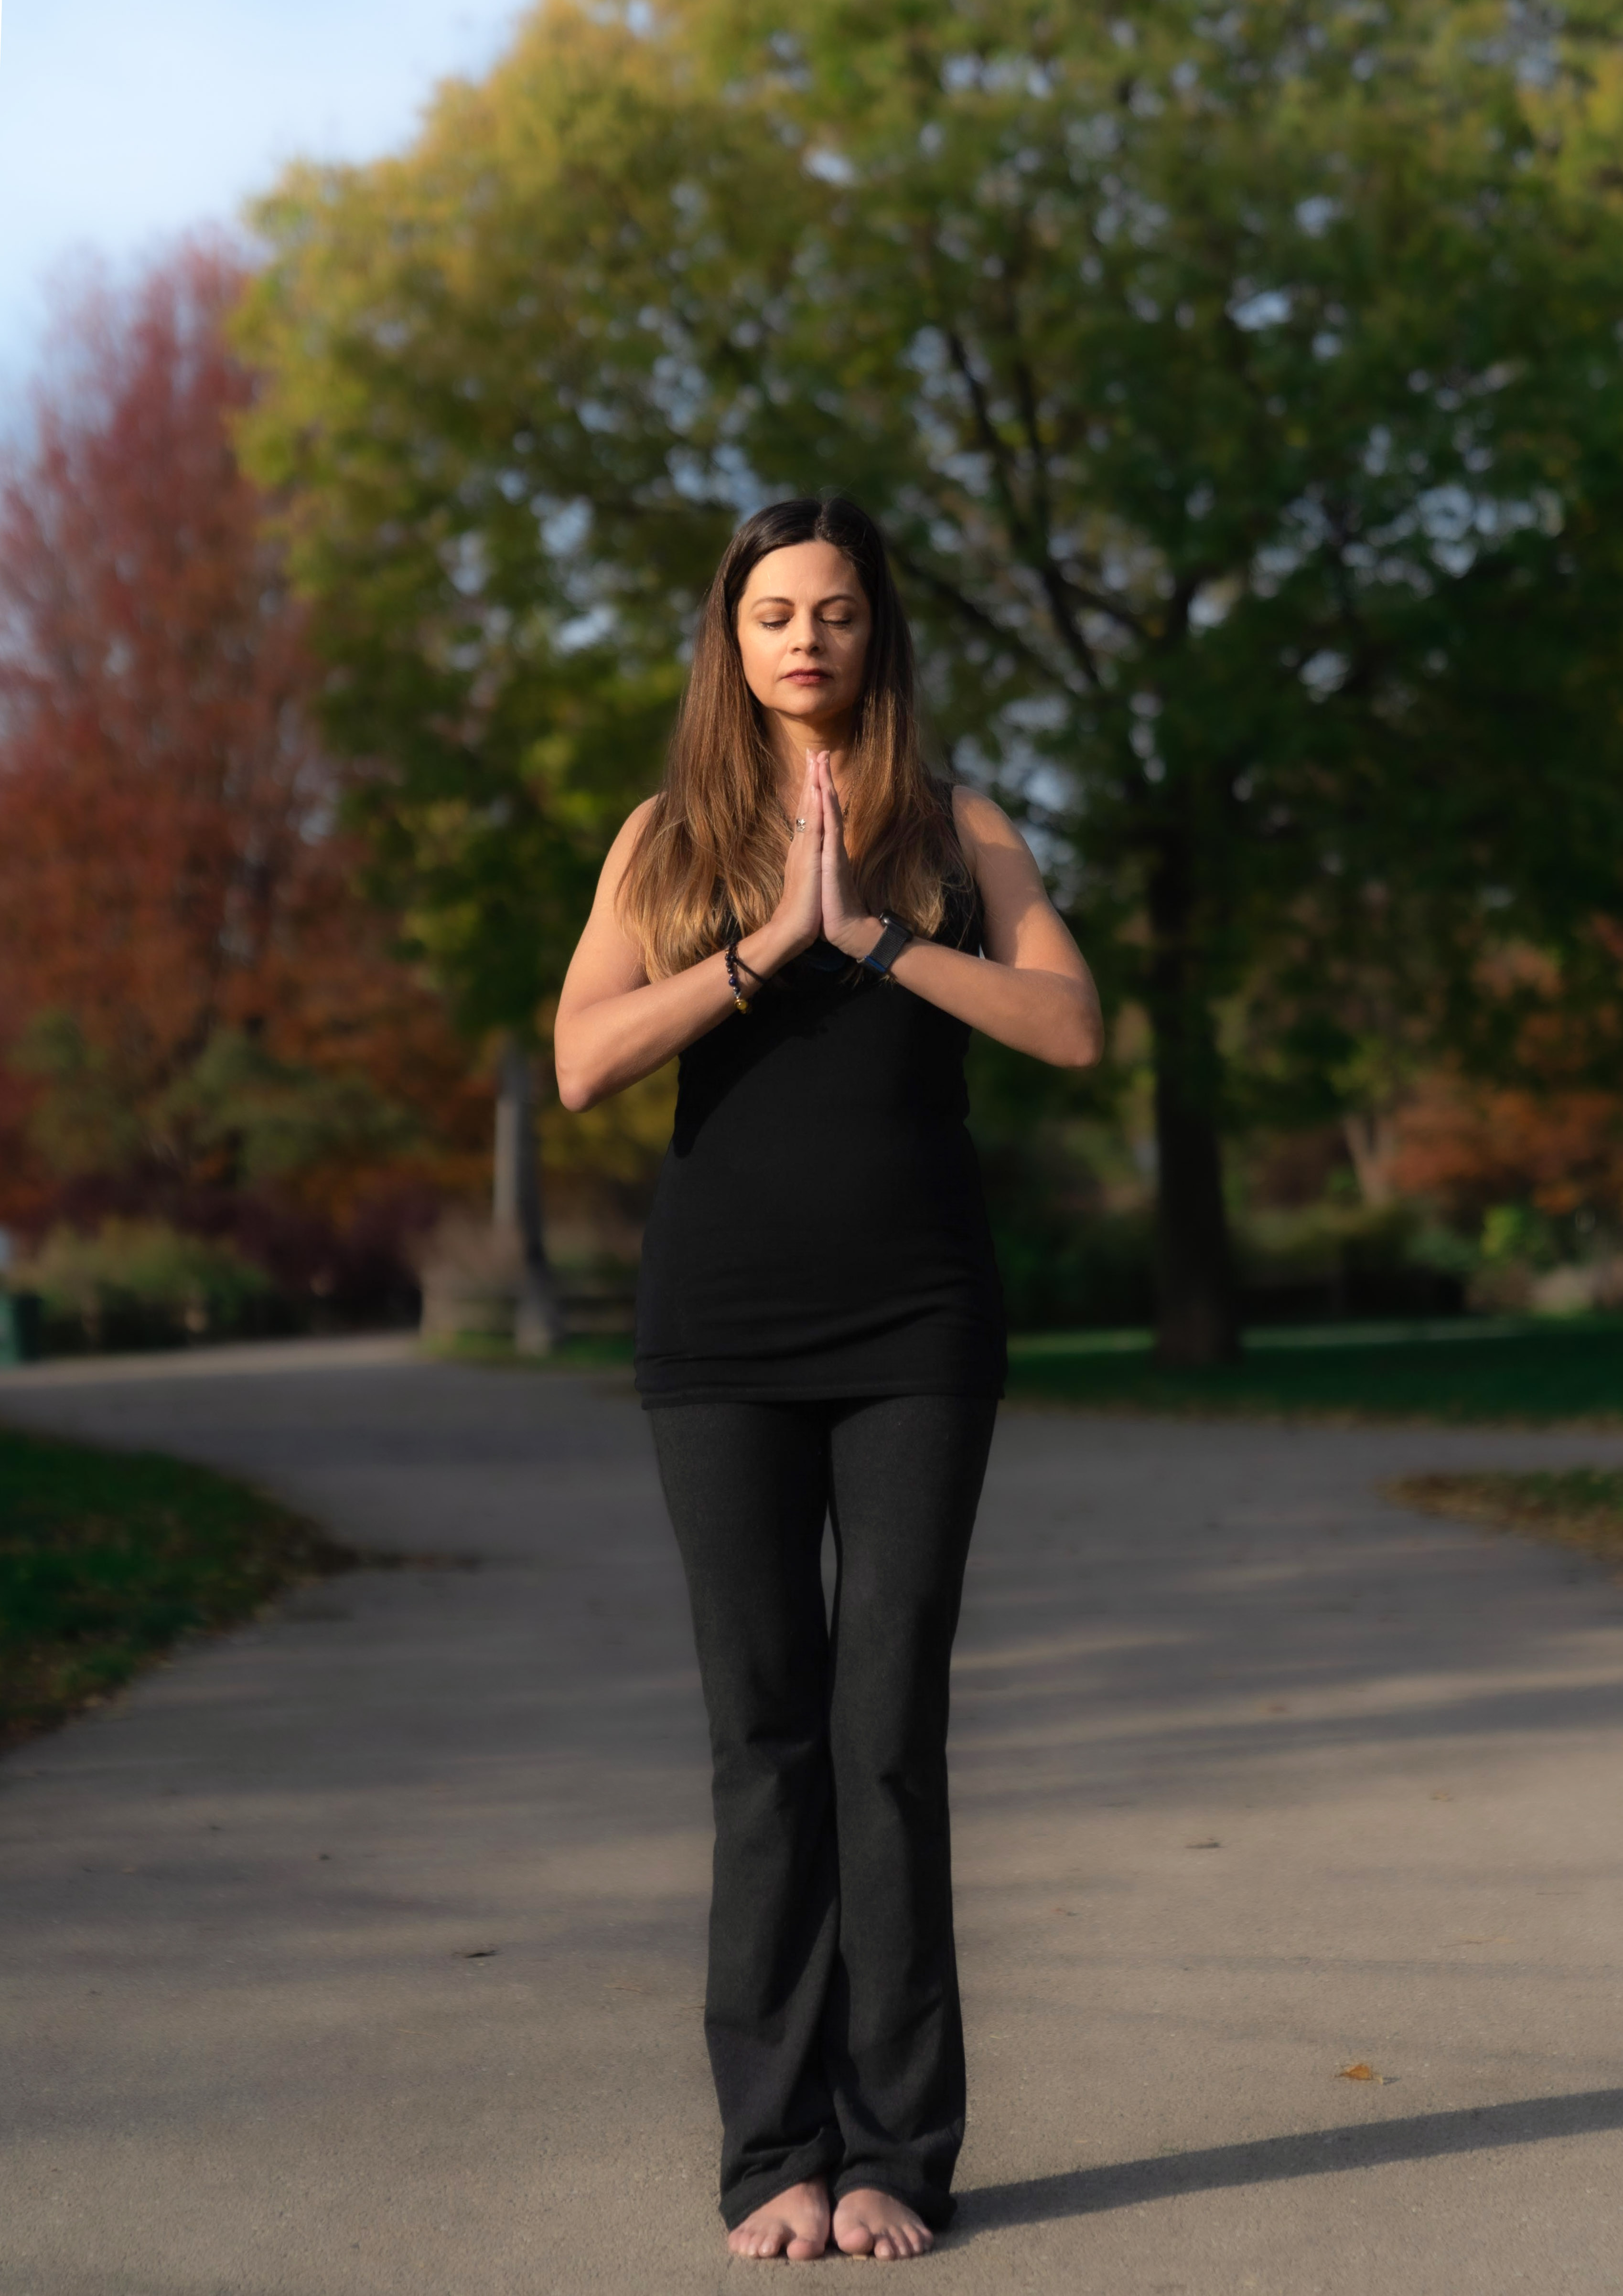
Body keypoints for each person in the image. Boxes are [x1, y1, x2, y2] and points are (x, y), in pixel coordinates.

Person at [554, 495, 1102, 2262]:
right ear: (732, 638)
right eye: (774, 611)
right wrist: (763, 946)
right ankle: (769, 2156)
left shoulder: (959, 828)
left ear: (882, 638)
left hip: (919, 1331)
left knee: (885, 1741)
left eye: (840, 612)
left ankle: (897, 2154)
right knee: (764, 1742)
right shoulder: (668, 837)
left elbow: (1074, 1027)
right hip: (719, 1336)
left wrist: (873, 933)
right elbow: (582, 1063)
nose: (806, 638)